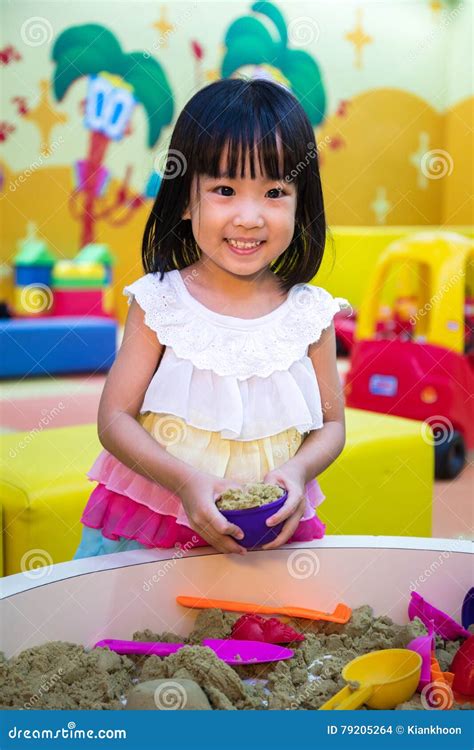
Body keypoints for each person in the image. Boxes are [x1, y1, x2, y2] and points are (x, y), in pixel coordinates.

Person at [74, 77, 348, 559]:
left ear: (301, 202)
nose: (249, 216)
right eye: (225, 189)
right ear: (184, 199)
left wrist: (299, 472)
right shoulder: (160, 303)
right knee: (143, 630)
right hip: (157, 518)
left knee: (252, 629)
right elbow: (114, 418)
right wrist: (184, 482)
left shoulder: (311, 314)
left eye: (275, 192)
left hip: (267, 526)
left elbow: (332, 426)